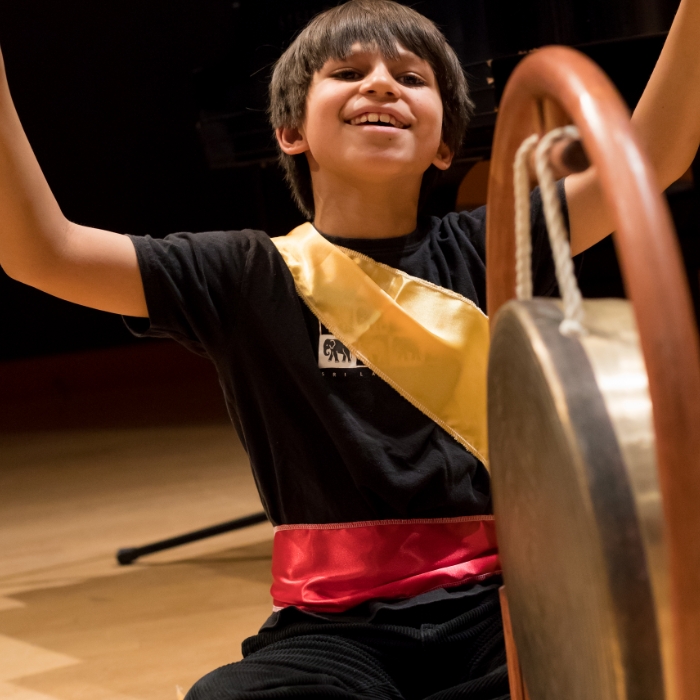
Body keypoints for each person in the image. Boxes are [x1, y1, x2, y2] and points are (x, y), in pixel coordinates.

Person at [1, 0, 700, 698]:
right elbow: (43, 249)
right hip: (332, 632)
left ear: (445, 146)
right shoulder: (243, 276)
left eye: (411, 76)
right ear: (288, 130)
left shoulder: (497, 246)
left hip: (505, 610)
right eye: (346, 70)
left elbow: (655, 154)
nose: (381, 84)